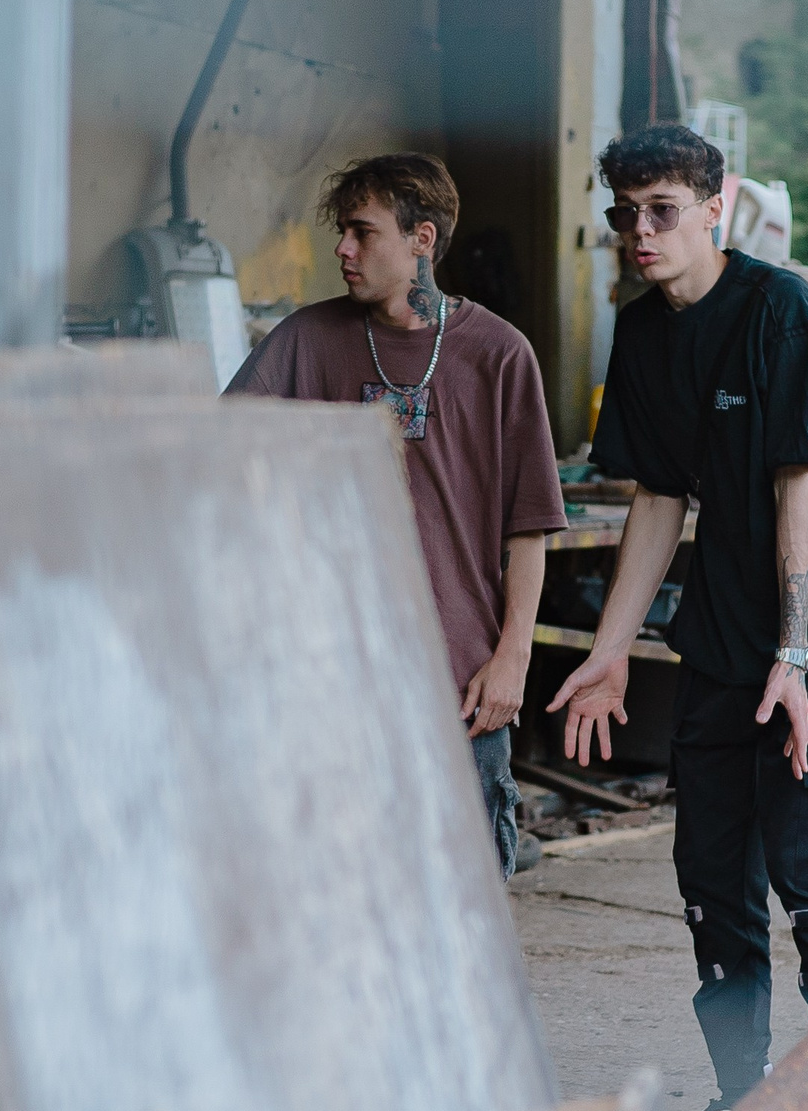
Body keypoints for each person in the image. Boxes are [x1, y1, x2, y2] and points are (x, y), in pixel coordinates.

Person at [548, 123, 808, 1111]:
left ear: (717, 205)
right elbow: (661, 499)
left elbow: (800, 479)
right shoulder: (643, 332)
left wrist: (794, 656)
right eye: (624, 214)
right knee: (711, 873)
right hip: (717, 639)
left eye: (660, 210)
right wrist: (609, 654)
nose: (639, 233)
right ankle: (745, 1095)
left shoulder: (779, 309)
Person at [227, 153, 566, 880]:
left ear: (422, 238)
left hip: (463, 684)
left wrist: (513, 658)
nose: (343, 250)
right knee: (339, 895)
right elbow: (217, 467)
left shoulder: (499, 355)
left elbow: (529, 530)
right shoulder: (304, 343)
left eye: (362, 232)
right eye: (341, 233)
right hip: (332, 679)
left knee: (466, 901)